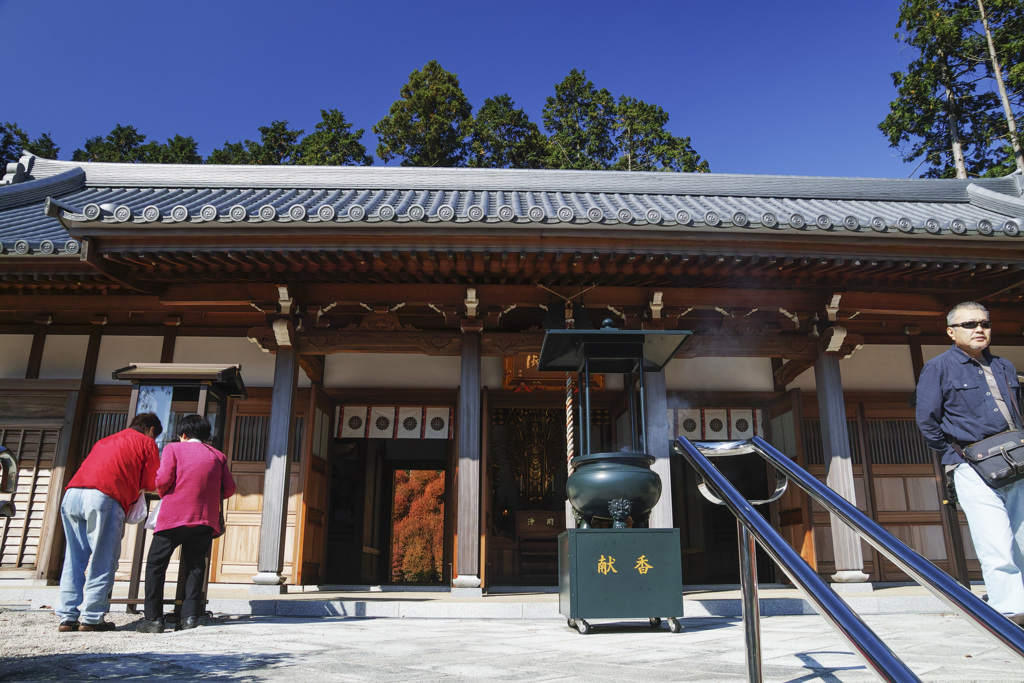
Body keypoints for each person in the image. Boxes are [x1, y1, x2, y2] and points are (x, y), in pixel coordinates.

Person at [916, 301, 1024, 626]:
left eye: (985, 323)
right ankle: (1011, 611)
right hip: (972, 464)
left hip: (1016, 460)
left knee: (1021, 536)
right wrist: (957, 455)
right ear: (951, 332)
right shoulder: (938, 367)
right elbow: (926, 420)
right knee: (995, 538)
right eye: (969, 324)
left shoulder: (1004, 365)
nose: (979, 329)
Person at [56, 412, 163, 632]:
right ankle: (92, 617)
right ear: (151, 430)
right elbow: (151, 482)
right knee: (103, 557)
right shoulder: (147, 443)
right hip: (104, 496)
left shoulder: (105, 440)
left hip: (72, 494)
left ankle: (67, 617)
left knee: (74, 558)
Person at [139, 414, 236, 633]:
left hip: (174, 515)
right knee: (195, 566)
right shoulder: (218, 455)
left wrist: (166, 493)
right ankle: (190, 616)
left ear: (183, 434)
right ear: (205, 435)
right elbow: (229, 489)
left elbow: (163, 480)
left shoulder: (174, 449)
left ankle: (153, 618)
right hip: (204, 519)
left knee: (156, 564)